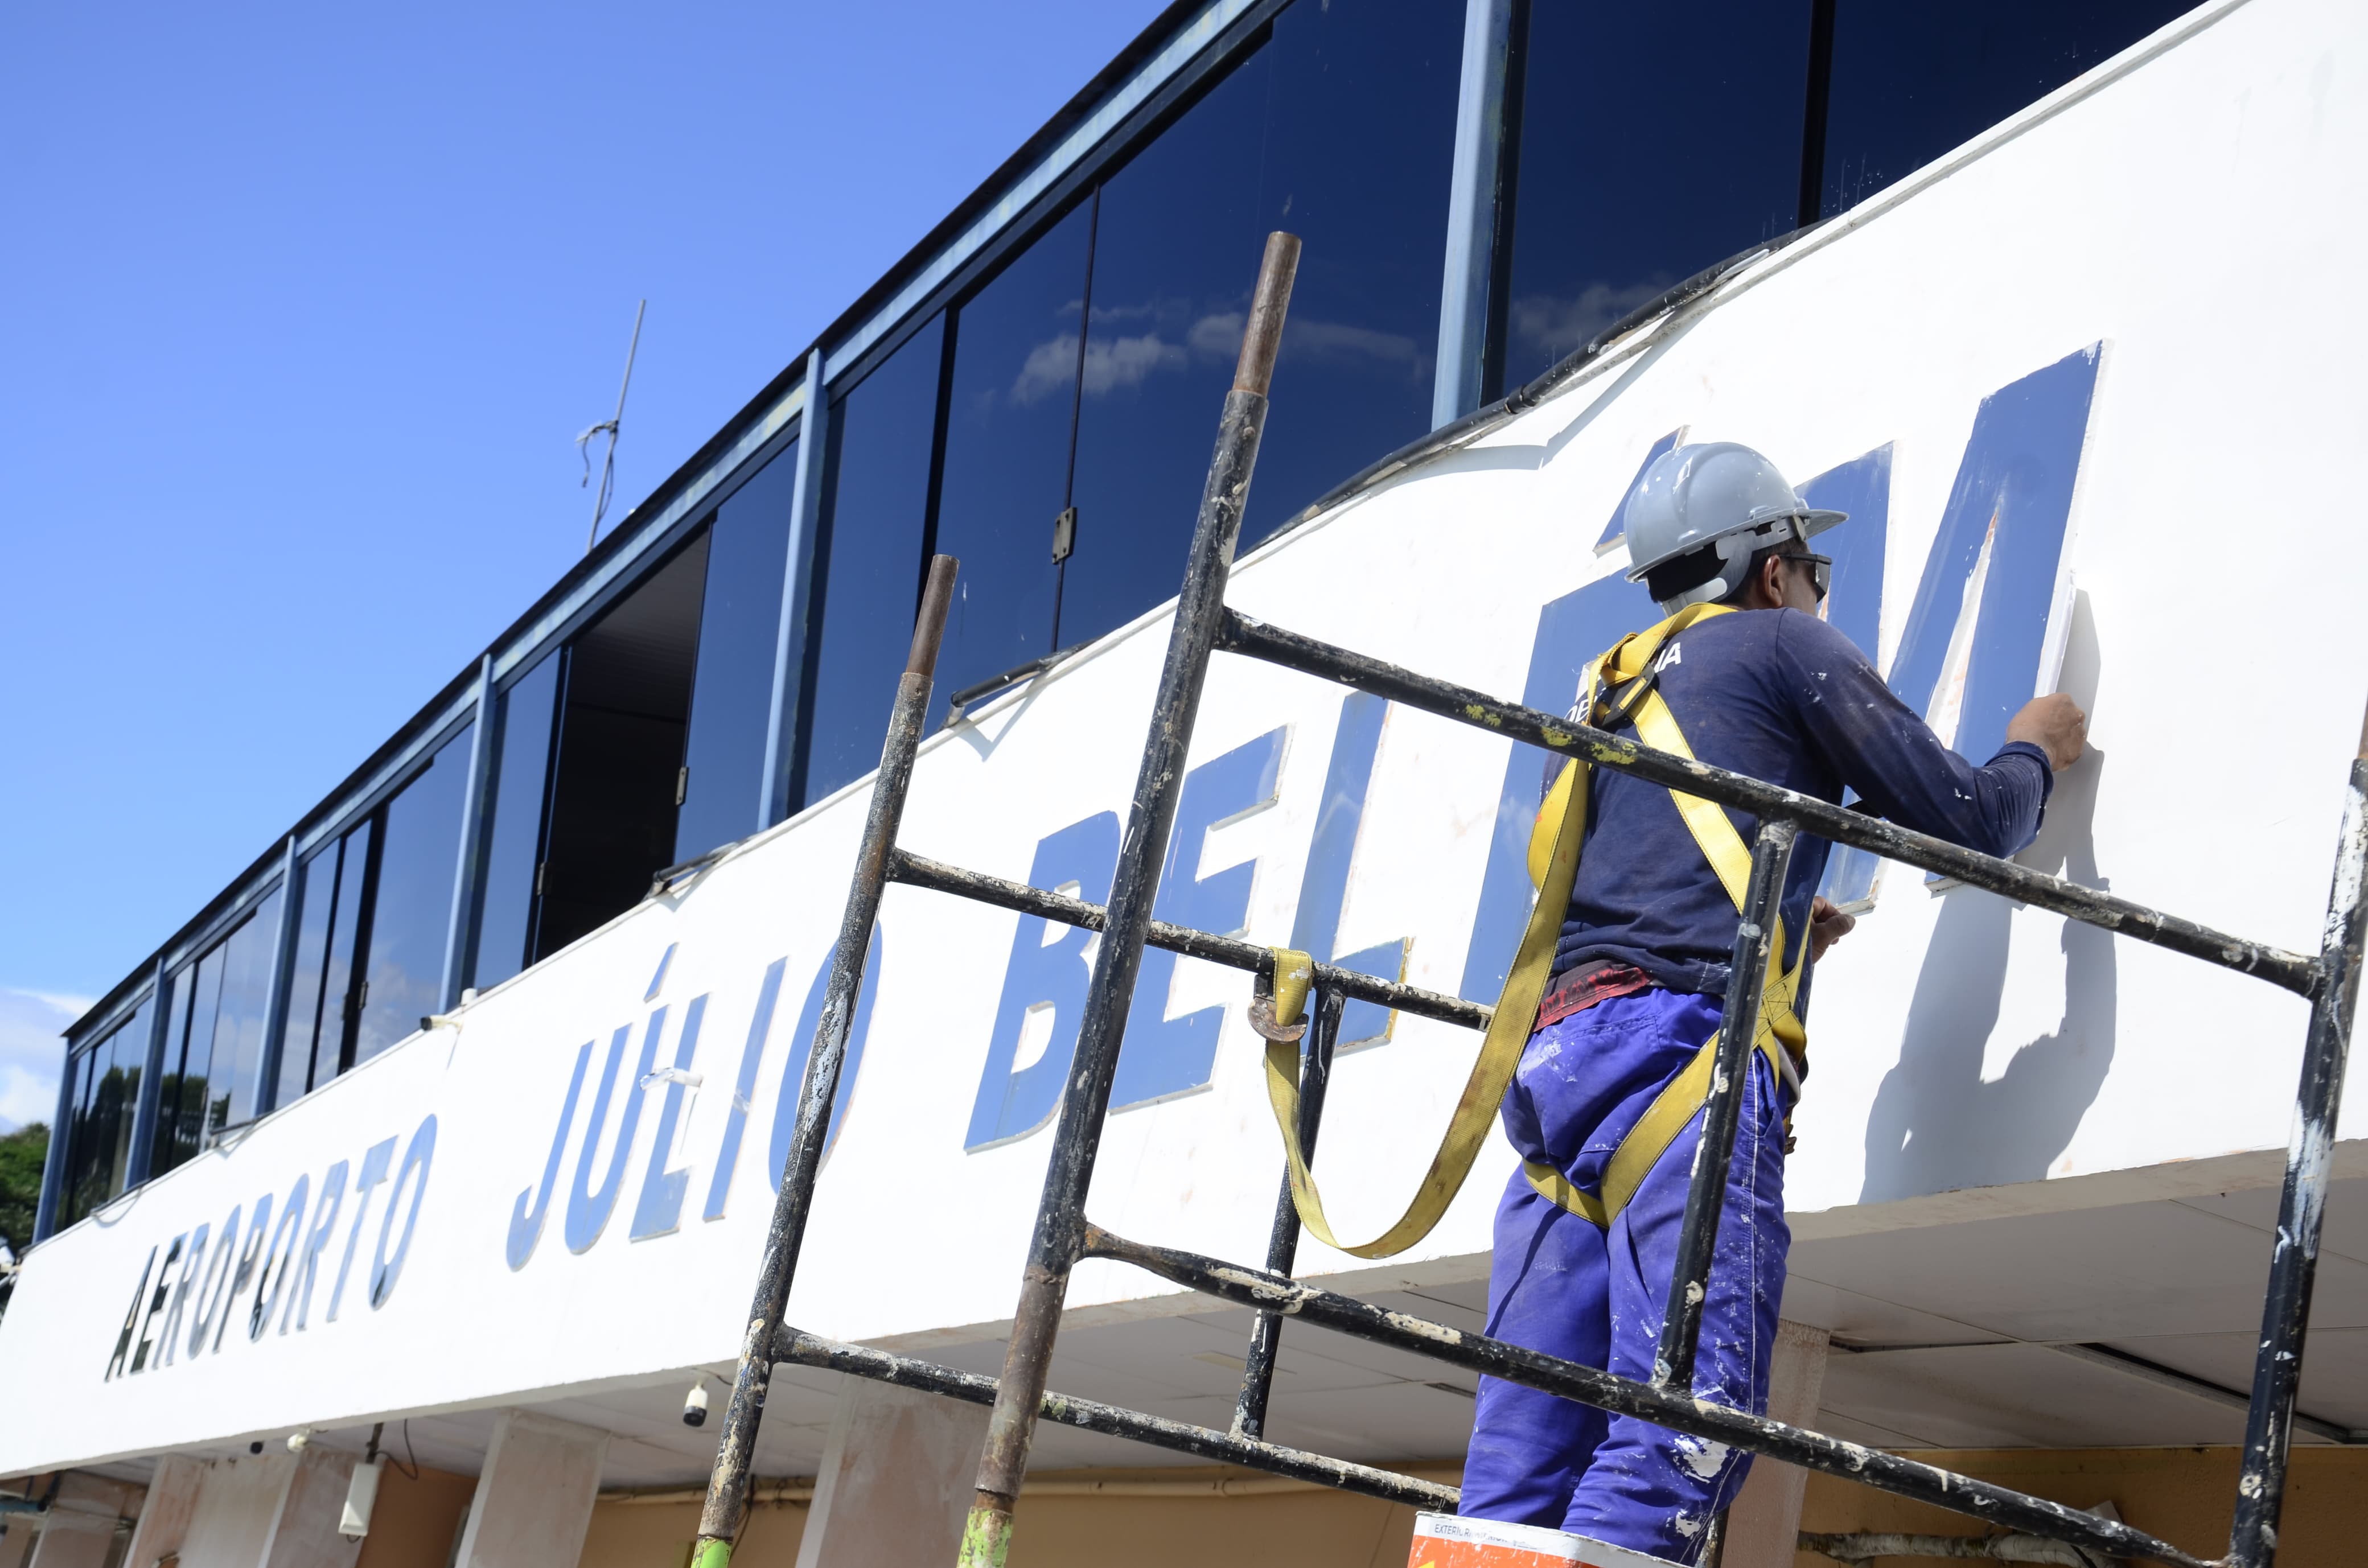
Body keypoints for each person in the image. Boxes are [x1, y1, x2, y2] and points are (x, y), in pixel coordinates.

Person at [1456, 442, 2087, 1563]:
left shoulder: (1612, 687)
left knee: (1520, 1455)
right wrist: (2032, 752)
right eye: (1813, 570)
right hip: (1676, 1058)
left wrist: (1786, 932)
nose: (1814, 592)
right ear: (1770, 568)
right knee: (1681, 1434)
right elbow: (1969, 821)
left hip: (1557, 1082)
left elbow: (1633, 893)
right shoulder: (1782, 641)